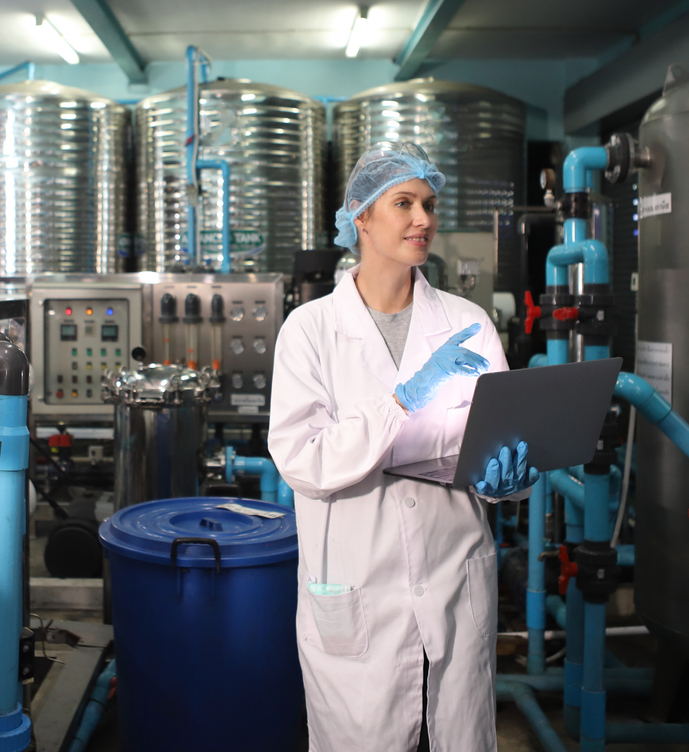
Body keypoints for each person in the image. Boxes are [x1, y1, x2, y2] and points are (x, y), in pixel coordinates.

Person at [268, 143, 537, 752]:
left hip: (453, 579)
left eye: (429, 204)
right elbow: (304, 460)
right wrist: (401, 400)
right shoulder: (310, 330)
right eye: (404, 203)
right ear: (361, 217)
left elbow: (498, 439)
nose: (424, 219)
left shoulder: (467, 322)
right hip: (358, 590)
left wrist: (510, 477)